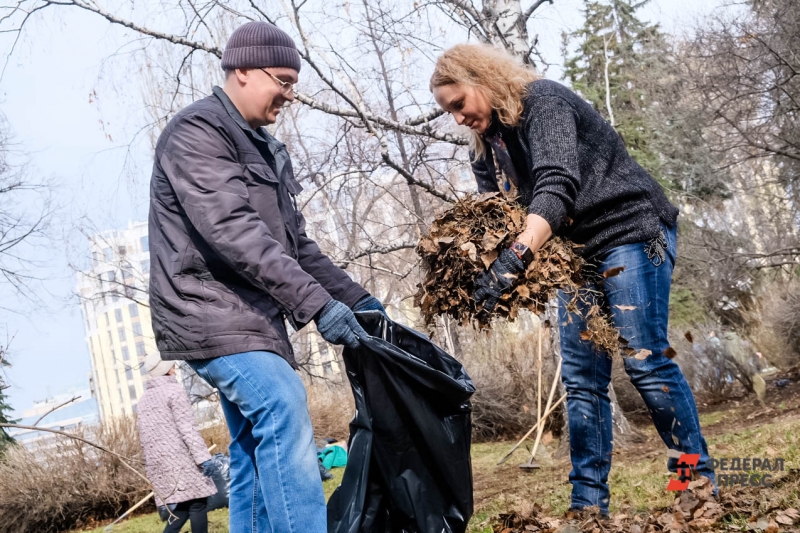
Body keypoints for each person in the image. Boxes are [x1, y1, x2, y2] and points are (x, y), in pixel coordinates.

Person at [430, 43, 715, 515]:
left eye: (459, 104)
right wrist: (485, 272)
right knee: (582, 380)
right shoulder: (488, 150)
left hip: (631, 229)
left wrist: (518, 255)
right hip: (575, 254)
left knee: (644, 360)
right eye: (448, 112)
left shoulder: (544, 103)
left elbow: (557, 186)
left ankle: (694, 485)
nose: (457, 119)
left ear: (482, 79)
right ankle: (587, 506)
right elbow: (500, 218)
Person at [148, 20, 385, 533]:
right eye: (281, 79)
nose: (289, 94)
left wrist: (361, 302)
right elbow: (235, 233)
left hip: (253, 320)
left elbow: (297, 249)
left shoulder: (265, 147)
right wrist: (319, 307)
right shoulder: (197, 133)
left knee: (254, 446)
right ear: (240, 71)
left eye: (293, 83)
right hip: (207, 311)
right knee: (282, 403)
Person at [137, 353, 217, 533]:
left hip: (161, 464)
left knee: (184, 505)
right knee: (198, 503)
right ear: (167, 370)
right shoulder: (174, 392)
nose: (174, 369)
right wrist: (203, 458)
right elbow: (187, 429)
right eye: (172, 366)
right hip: (182, 459)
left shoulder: (143, 400)